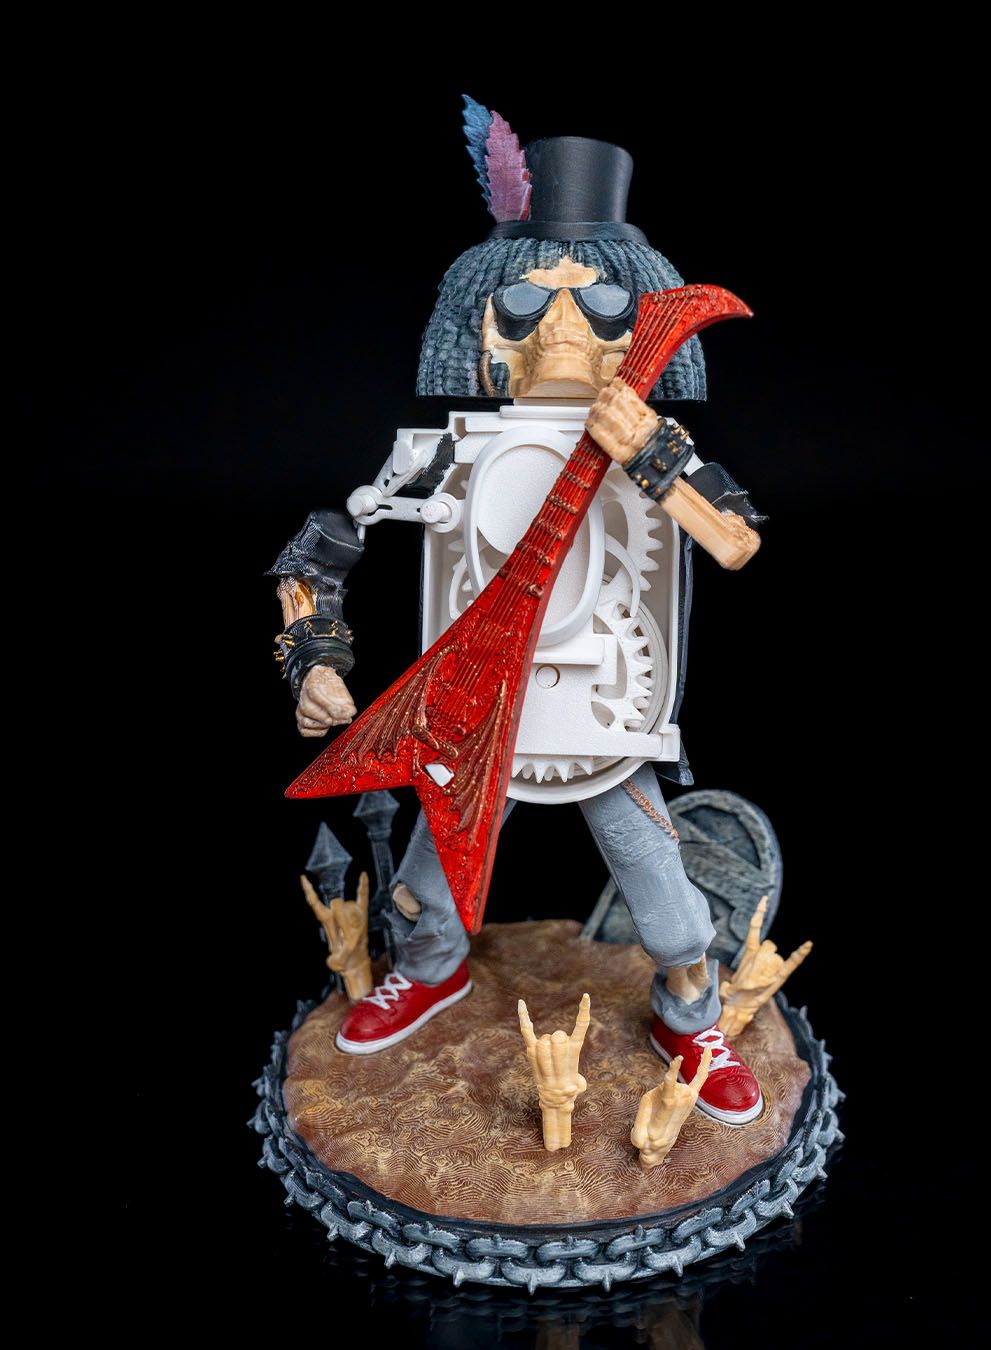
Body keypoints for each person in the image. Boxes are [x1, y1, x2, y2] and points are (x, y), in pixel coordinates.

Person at [270, 101, 766, 1125]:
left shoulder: (658, 454)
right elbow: (321, 549)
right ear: (483, 326)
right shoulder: (446, 451)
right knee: (427, 884)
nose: (567, 334)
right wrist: (313, 657)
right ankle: (431, 969)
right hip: (468, 714)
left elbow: (734, 542)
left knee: (669, 907)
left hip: (601, 711)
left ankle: (690, 1011)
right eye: (532, 308)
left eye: (603, 312)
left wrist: (650, 455)